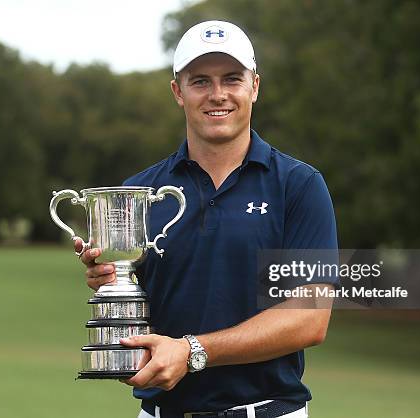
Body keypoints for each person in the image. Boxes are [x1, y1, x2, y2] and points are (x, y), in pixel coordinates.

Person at [75, 20, 338, 418]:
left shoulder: (299, 186)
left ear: (255, 87)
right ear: (178, 92)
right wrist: (110, 277)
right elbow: (139, 296)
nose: (218, 95)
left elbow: (309, 319)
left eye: (232, 78)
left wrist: (193, 351)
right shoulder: (140, 192)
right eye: (200, 81)